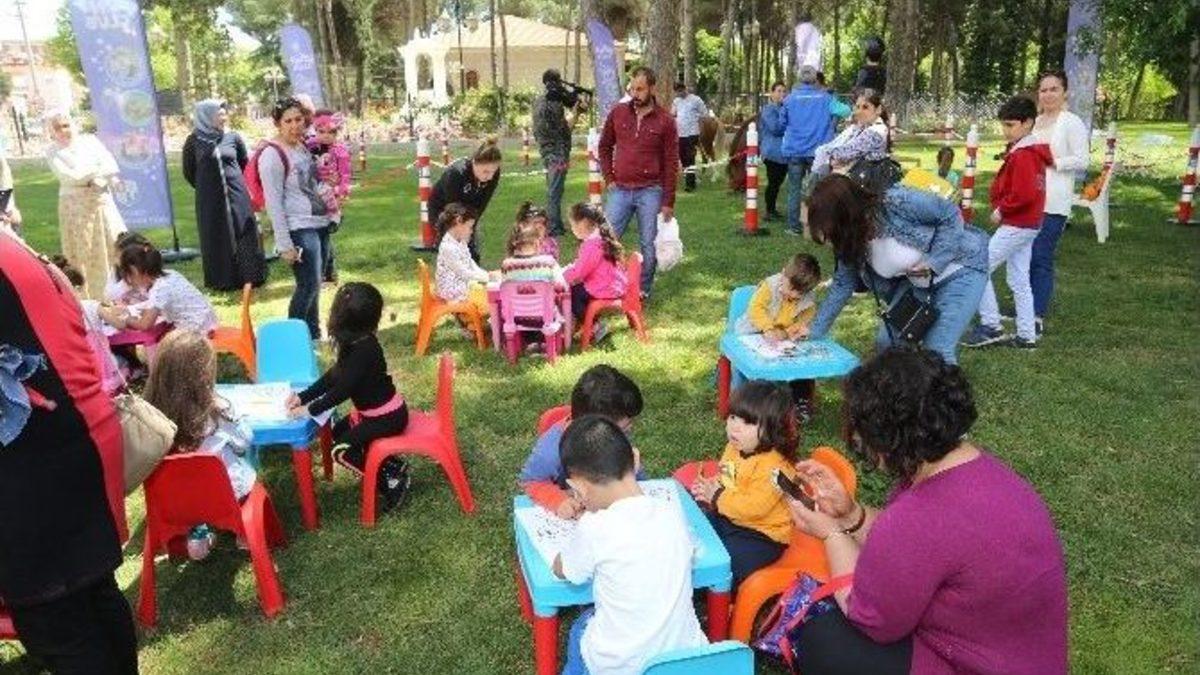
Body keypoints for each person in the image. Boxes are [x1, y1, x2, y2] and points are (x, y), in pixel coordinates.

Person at [783, 347, 1067, 674]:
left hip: (970, 664)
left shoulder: (921, 515)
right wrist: (850, 514)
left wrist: (832, 533)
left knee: (824, 638)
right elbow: (913, 548)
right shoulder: (983, 472)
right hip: (1023, 658)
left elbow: (872, 620)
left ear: (885, 438)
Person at [0, 229, 136, 674]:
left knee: (58, 619)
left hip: (36, 461)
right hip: (75, 437)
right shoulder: (10, 242)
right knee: (92, 595)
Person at [554, 415, 708, 675]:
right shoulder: (670, 512)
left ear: (578, 487)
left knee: (581, 626)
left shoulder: (594, 527)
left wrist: (562, 556)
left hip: (619, 666)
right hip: (684, 660)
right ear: (635, 460)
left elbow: (566, 570)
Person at [806, 175, 989, 365]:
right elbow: (842, 285)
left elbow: (950, 214)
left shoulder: (896, 202)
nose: (829, 237)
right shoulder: (849, 239)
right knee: (888, 344)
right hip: (917, 285)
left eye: (829, 228)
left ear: (844, 214)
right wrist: (813, 333)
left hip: (961, 269)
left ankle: (943, 385)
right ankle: (905, 383)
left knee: (937, 351)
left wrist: (934, 262)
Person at [287, 282, 411, 512]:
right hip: (376, 414)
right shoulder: (356, 342)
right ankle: (390, 466)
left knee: (340, 451)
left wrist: (309, 409)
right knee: (339, 432)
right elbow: (334, 375)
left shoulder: (363, 351)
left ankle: (390, 481)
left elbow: (341, 391)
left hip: (386, 418)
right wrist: (303, 397)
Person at [963, 96, 1053, 350]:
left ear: (1028, 123)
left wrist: (1002, 210)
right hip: (1027, 224)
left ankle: (991, 325)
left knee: (977, 267)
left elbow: (1025, 193)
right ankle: (1026, 336)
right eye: (1004, 124)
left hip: (1017, 223)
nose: (1005, 130)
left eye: (1011, 125)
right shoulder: (1028, 151)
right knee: (1019, 280)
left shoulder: (1024, 155)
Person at [688, 381, 799, 585]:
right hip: (730, 516)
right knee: (697, 532)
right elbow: (728, 478)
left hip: (762, 534)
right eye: (732, 417)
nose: (734, 427)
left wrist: (717, 496)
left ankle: (719, 592)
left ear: (772, 429)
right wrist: (711, 486)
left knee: (731, 561)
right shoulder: (734, 448)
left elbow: (754, 508)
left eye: (748, 423)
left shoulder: (776, 468)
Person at [519, 364, 644, 519]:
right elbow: (531, 482)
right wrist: (558, 501)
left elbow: (634, 477)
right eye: (623, 429)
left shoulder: (612, 435)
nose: (629, 430)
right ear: (594, 429)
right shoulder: (550, 452)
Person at [144, 330, 258, 501]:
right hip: (224, 498)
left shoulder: (147, 414)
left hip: (171, 501)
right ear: (205, 373)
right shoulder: (217, 410)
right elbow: (244, 441)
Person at [598, 65, 678, 298]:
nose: (635, 94)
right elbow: (604, 146)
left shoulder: (666, 121)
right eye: (632, 88)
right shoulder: (617, 112)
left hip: (651, 190)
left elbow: (671, 163)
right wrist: (609, 177)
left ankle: (643, 290)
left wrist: (668, 201)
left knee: (649, 245)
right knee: (604, 241)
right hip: (620, 189)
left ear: (652, 88)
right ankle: (603, 285)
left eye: (640, 89)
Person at [259, 97, 330, 340]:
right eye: (287, 121)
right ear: (278, 124)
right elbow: (273, 203)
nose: (294, 125)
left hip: (318, 222)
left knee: (316, 283)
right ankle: (293, 341)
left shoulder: (302, 146)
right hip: (298, 226)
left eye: (298, 119)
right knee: (307, 285)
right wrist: (284, 244)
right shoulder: (272, 155)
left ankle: (313, 335)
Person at [182, 99, 267, 292]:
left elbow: (245, 165)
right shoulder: (193, 142)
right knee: (216, 234)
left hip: (238, 195)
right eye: (219, 115)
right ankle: (223, 279)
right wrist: (208, 188)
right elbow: (189, 172)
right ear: (206, 116)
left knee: (244, 230)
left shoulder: (233, 137)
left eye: (224, 114)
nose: (224, 118)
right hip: (210, 200)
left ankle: (251, 275)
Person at [1029, 71, 1090, 335]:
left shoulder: (1071, 122)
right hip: (1028, 199)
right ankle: (1024, 305)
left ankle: (1037, 313)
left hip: (1053, 201)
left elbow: (1083, 160)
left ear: (1065, 92)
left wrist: (1054, 162)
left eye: (1054, 89)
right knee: (1024, 255)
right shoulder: (1034, 121)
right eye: (1043, 90)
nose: (1048, 94)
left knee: (1041, 256)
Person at [45, 111, 127, 300]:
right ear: (51, 131)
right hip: (75, 205)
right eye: (57, 128)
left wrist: (104, 177)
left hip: (100, 200)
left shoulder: (90, 141)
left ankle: (120, 289)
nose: (63, 131)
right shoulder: (52, 151)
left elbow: (108, 162)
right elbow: (70, 176)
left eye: (66, 125)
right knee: (84, 250)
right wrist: (96, 173)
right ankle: (90, 296)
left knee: (113, 242)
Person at [736, 252, 822, 412]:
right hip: (752, 331)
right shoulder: (770, 286)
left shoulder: (808, 299)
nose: (792, 294)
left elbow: (803, 321)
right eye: (790, 288)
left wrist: (788, 333)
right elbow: (755, 308)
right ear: (783, 274)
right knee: (756, 364)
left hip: (783, 338)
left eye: (798, 293)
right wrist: (768, 328)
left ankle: (800, 402)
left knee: (802, 363)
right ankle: (752, 401)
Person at [780, 66, 852, 237]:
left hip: (794, 150)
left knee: (794, 189)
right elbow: (847, 111)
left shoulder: (789, 99)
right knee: (820, 190)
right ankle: (818, 226)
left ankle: (793, 226)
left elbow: (782, 123)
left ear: (799, 78)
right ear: (816, 79)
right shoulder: (826, 99)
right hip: (819, 153)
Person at [99, 241, 218, 335]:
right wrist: (130, 309)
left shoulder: (159, 290)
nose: (129, 282)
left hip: (197, 329)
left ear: (135, 272)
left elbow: (145, 325)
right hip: (207, 320)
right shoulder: (170, 274)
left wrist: (126, 318)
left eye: (128, 276)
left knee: (163, 344)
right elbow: (152, 306)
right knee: (164, 332)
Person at [427, 138, 503, 264]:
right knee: (452, 249)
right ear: (474, 163)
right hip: (443, 208)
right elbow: (452, 210)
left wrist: (471, 225)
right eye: (485, 171)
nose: (490, 176)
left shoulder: (493, 175)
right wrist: (460, 230)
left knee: (472, 253)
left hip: (469, 207)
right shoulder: (456, 173)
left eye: (493, 172)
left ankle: (473, 269)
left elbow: (482, 204)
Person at [563, 203, 627, 343]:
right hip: (612, 284)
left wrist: (562, 276)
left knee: (573, 294)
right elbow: (584, 265)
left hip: (604, 287)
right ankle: (586, 323)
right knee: (577, 290)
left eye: (573, 225)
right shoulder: (600, 238)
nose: (572, 229)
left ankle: (595, 326)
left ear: (582, 225)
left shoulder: (591, 245)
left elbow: (579, 273)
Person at [531, 69, 582, 237]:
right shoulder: (555, 103)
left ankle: (555, 223)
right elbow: (564, 129)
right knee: (555, 190)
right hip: (557, 152)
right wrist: (576, 107)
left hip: (545, 150)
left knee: (553, 188)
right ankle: (553, 226)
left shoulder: (538, 101)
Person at [306, 110, 353, 283]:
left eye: (331, 132)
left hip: (330, 197)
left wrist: (341, 193)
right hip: (311, 195)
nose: (326, 136)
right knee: (316, 233)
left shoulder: (340, 151)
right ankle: (323, 272)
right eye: (321, 131)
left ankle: (325, 273)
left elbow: (345, 175)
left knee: (324, 233)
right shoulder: (308, 146)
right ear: (315, 130)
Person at [811, 88, 889, 179]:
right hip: (850, 179)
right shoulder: (860, 128)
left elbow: (847, 152)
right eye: (857, 107)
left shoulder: (876, 131)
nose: (859, 111)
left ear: (878, 109)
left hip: (861, 182)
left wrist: (827, 153)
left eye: (865, 107)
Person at [435, 203, 491, 315]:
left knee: (485, 289)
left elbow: (471, 264)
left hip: (462, 283)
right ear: (459, 221)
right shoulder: (448, 247)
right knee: (483, 292)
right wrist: (487, 278)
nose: (471, 231)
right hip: (451, 290)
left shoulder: (460, 242)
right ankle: (484, 317)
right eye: (470, 227)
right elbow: (463, 273)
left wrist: (486, 275)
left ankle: (485, 316)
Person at [758, 82, 789, 222]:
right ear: (771, 93)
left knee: (778, 182)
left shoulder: (784, 109)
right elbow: (775, 128)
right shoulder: (768, 110)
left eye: (784, 91)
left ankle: (772, 209)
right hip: (772, 152)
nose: (782, 94)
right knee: (773, 182)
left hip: (783, 153)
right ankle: (769, 211)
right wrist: (788, 123)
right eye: (778, 91)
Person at [672, 82, 710, 193]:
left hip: (692, 133)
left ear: (685, 89)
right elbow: (673, 114)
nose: (679, 93)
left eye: (681, 91)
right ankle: (689, 176)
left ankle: (690, 184)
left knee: (690, 157)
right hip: (680, 134)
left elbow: (704, 113)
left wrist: (696, 119)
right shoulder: (676, 101)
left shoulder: (696, 100)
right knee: (682, 157)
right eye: (677, 92)